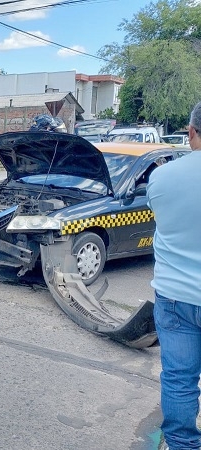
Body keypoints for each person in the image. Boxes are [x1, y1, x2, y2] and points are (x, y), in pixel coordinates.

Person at [148, 100, 201, 450]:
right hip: (175, 296)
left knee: (180, 379)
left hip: (175, 296)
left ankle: (182, 445)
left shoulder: (163, 176)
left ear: (192, 131)